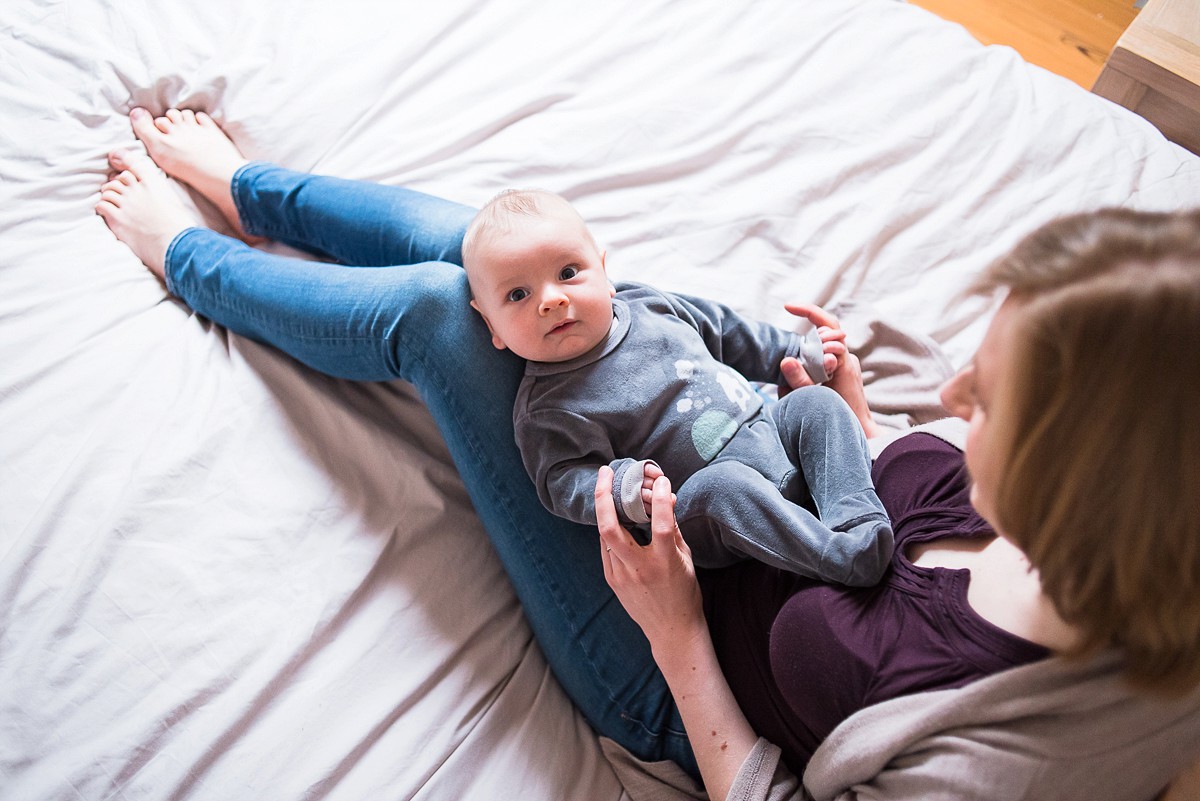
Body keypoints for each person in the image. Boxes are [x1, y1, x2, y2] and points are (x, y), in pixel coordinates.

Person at [96, 108, 1200, 800]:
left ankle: (192, 260)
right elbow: (897, 509)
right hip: (773, 496)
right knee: (507, 264)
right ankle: (254, 190)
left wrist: (674, 637)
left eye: (991, 403)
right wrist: (849, 424)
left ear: (1087, 482)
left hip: (677, 659)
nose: (952, 395)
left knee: (451, 314)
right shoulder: (1144, 506)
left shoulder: (1004, 762)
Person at [460, 188, 892, 584]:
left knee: (816, 404)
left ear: (604, 271)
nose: (551, 299)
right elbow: (562, 481)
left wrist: (796, 352)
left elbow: (726, 332)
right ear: (489, 324)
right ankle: (839, 557)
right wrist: (623, 486)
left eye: (569, 271)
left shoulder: (647, 303)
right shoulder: (548, 407)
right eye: (518, 294)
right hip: (701, 507)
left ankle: (857, 520)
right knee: (725, 486)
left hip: (769, 434)